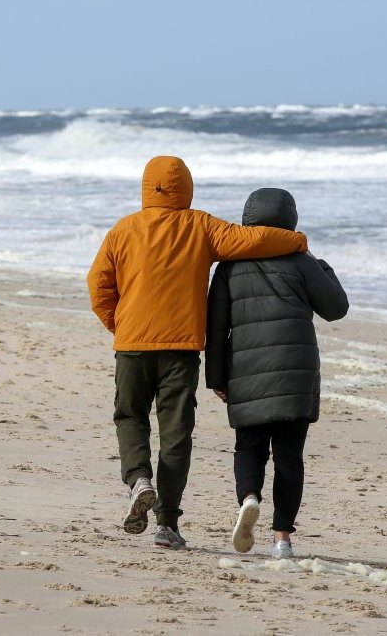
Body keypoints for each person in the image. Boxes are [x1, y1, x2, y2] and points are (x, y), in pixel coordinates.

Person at [87, 157, 309, 551]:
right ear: (186, 187)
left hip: (132, 345)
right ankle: (167, 525)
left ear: (146, 187)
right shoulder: (200, 226)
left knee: (131, 416)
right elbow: (252, 240)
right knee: (176, 434)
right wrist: (296, 241)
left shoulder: (123, 230)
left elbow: (99, 285)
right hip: (181, 349)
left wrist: (119, 326)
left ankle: (139, 478)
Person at [205, 187, 348, 559]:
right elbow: (336, 307)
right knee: (289, 456)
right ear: (291, 220)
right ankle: (282, 539)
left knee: (249, 447)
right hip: (296, 373)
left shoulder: (229, 266)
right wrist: (317, 261)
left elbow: (216, 327)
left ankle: (249, 497)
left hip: (245, 370)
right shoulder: (302, 262)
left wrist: (216, 377)